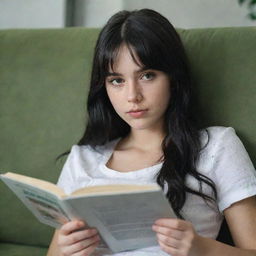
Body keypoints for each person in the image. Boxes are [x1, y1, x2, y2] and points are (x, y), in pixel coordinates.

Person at [47, 9, 256, 256]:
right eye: (117, 80)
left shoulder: (216, 146)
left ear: (173, 79)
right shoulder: (84, 158)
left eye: (147, 76)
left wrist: (202, 249)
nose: (132, 96)